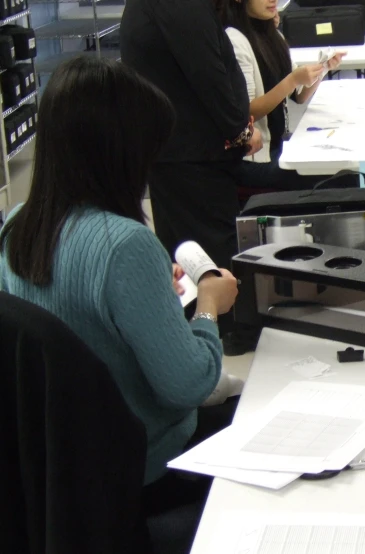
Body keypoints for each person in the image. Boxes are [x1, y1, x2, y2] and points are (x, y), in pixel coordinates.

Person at [0, 57, 239, 510]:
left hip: (63, 466)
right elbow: (189, 385)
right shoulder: (124, 244)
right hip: (145, 468)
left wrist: (149, 295)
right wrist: (208, 303)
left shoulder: (15, 227)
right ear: (119, 154)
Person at [120, 0, 262, 355]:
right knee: (204, 253)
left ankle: (207, 338)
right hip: (189, 156)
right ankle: (215, 340)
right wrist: (240, 131)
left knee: (190, 248)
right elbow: (208, 73)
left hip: (183, 151)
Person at [218, 0, 346, 190]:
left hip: (279, 145)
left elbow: (299, 96)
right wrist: (293, 80)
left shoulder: (273, 34)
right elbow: (248, 112)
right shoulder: (235, 39)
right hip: (254, 159)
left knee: (338, 159)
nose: (273, 1)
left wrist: (324, 67)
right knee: (337, 174)